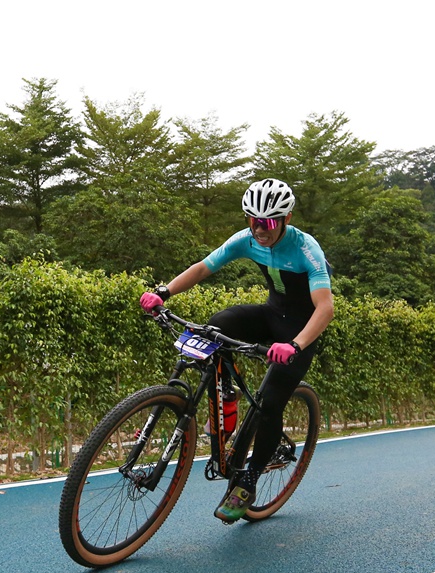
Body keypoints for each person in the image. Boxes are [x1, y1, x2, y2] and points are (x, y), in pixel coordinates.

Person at [139, 178, 334, 523]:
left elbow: (325, 309)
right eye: (253, 220)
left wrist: (295, 344)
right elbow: (203, 267)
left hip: (299, 330)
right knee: (218, 324)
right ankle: (227, 391)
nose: (260, 229)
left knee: (271, 402)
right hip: (273, 314)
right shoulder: (246, 239)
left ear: (286, 218)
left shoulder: (307, 249)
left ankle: (249, 478)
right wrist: (164, 292)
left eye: (269, 222)